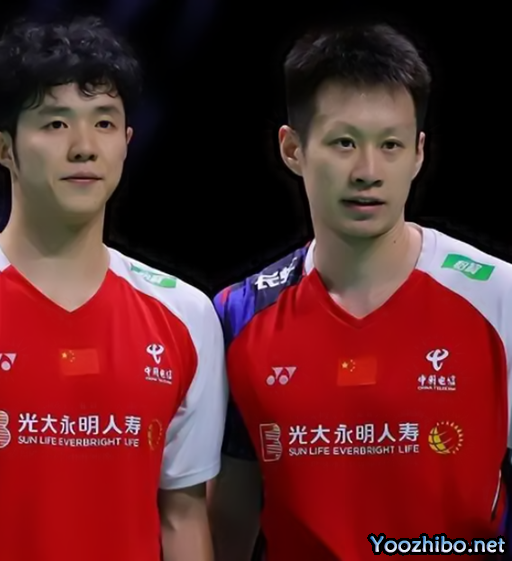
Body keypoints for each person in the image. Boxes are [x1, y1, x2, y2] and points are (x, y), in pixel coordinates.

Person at [0, 16, 227, 561]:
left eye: (104, 123)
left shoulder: (185, 314)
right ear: (3, 148)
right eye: (55, 124)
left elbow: (182, 515)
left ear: (127, 142)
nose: (84, 147)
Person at [209, 21, 512, 560]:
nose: (368, 171)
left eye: (390, 145)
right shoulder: (240, 314)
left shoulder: (498, 296)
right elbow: (228, 517)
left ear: (418, 153)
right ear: (293, 148)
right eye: (344, 142)